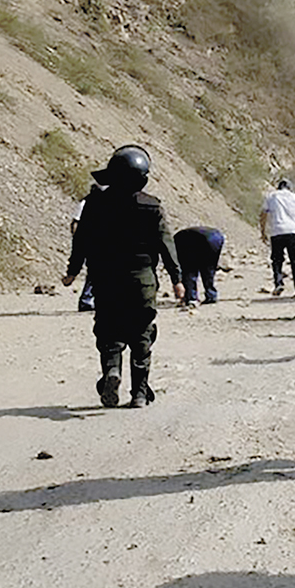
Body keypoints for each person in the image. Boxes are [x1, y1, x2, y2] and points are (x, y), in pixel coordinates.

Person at [63, 145, 183, 409]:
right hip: (142, 281)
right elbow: (166, 244)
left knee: (108, 329)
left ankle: (112, 370)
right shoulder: (152, 207)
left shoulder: (94, 204)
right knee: (142, 334)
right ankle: (139, 394)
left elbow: (80, 240)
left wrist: (72, 271)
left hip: (105, 279)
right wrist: (177, 279)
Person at [259, 178, 295, 297]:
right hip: (293, 231)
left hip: (276, 231)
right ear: (289, 188)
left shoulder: (271, 197)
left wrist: (263, 231)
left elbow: (263, 214)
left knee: (277, 260)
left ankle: (278, 283)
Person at [173, 226, 226, 306]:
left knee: (189, 269)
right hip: (217, 237)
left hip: (201, 239)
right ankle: (211, 295)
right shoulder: (178, 237)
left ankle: (191, 297)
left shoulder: (176, 242)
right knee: (209, 268)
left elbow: (184, 269)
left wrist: (177, 281)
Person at [70, 185, 102, 312]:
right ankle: (86, 299)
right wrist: (77, 238)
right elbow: (75, 222)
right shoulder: (86, 203)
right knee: (95, 271)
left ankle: (90, 299)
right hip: (89, 241)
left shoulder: (95, 203)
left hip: (92, 240)